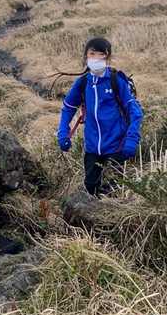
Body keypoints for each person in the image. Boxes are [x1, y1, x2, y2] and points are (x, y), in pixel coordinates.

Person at [57, 37, 143, 196]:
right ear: (86, 56)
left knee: (114, 191)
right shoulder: (83, 83)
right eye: (92, 54)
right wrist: (63, 132)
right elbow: (68, 108)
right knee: (91, 188)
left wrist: (132, 138)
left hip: (117, 146)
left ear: (108, 57)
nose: (96, 58)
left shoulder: (116, 81)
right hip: (92, 147)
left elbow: (135, 111)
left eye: (101, 54)